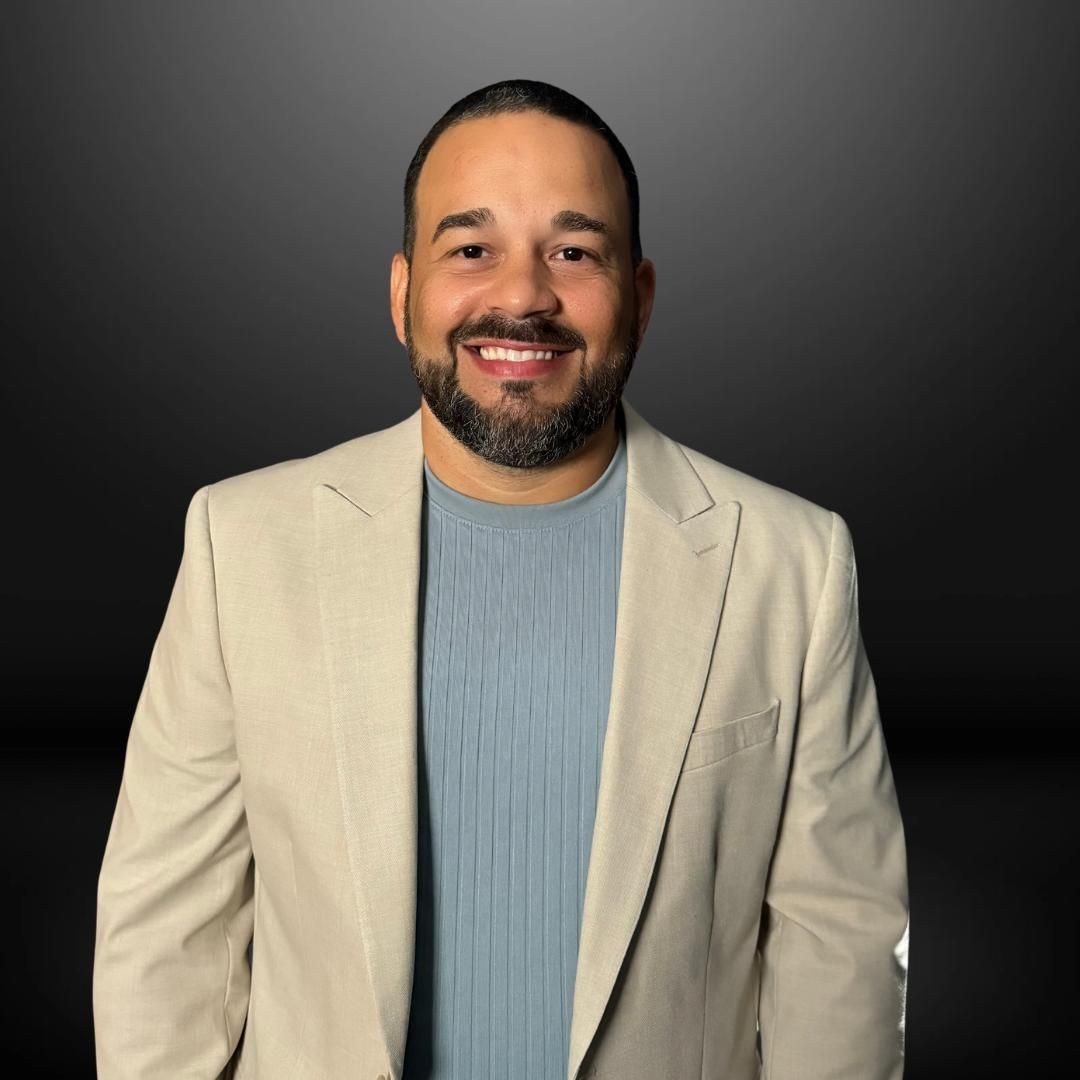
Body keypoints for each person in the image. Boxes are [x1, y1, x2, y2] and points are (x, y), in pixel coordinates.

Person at [92, 79, 909, 1080]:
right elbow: (166, 931)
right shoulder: (243, 544)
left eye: (573, 251)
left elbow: (845, 945)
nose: (521, 295)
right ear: (402, 295)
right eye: (470, 249)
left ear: (639, 299)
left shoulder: (794, 564)